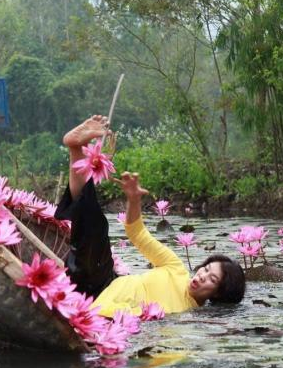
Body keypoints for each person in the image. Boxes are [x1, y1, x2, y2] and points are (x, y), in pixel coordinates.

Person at [54, 115, 245, 317]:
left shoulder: (186, 315)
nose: (202, 275)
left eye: (212, 280)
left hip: (110, 315)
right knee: (97, 228)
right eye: (206, 269)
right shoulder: (176, 268)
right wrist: (134, 200)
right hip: (104, 283)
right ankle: (76, 148)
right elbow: (138, 234)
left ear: (218, 295)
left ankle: (91, 316)